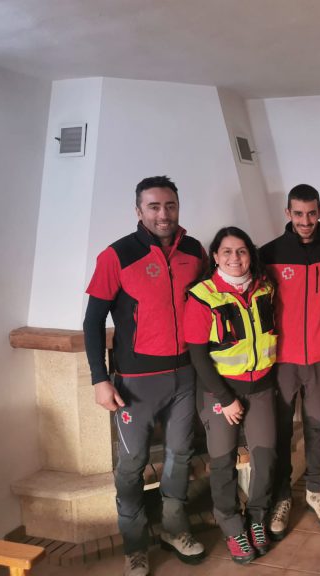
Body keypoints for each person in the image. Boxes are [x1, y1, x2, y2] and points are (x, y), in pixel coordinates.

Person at [83, 176, 206, 576]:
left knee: (179, 456)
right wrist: (100, 379)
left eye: (169, 205)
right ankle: (134, 545)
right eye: (153, 206)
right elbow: (92, 321)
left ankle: (174, 528)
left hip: (185, 375)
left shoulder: (194, 251)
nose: (163, 213)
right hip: (135, 381)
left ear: (178, 206)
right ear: (139, 211)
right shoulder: (116, 255)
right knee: (132, 463)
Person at [259, 184, 320, 538]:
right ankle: (282, 496)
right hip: (282, 360)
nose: (305, 220)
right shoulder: (268, 253)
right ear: (288, 214)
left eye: (311, 213)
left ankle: (315, 490)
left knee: (316, 426)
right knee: (281, 428)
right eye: (298, 214)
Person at [184, 226, 278, 564]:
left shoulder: (265, 287)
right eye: (227, 252)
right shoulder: (202, 295)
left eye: (241, 251)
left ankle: (256, 520)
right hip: (219, 392)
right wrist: (225, 399)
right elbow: (197, 355)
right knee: (223, 464)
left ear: (250, 254)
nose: (235, 258)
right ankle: (231, 526)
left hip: (263, 387)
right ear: (215, 256)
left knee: (265, 460)